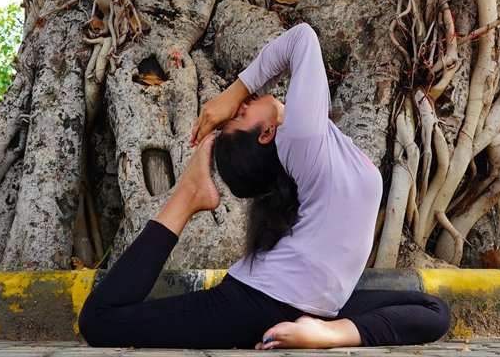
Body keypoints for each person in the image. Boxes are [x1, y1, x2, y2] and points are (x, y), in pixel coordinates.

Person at [78, 23, 452, 349]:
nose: (244, 105)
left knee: (434, 311)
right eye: (242, 115)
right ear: (268, 135)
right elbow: (301, 39)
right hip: (256, 302)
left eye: (239, 109)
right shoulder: (302, 139)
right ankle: (188, 195)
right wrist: (234, 93)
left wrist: (326, 330)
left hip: (316, 308)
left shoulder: (316, 142)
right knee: (100, 321)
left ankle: (326, 334)